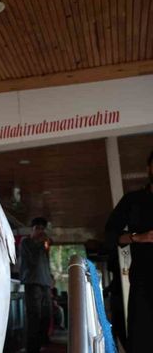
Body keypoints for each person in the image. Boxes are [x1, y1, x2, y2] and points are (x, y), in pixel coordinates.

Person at [105, 150, 153, 353]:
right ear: (149, 168)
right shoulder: (133, 200)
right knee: (141, 339)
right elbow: (110, 234)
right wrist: (138, 237)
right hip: (144, 282)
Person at [19, 217, 53, 353]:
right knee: (34, 316)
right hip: (32, 282)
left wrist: (50, 278)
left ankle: (42, 341)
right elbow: (32, 260)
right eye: (37, 228)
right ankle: (32, 348)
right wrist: (41, 242)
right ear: (31, 230)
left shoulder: (43, 245)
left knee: (46, 314)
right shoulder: (25, 242)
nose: (40, 231)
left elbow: (44, 262)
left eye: (42, 229)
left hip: (45, 283)